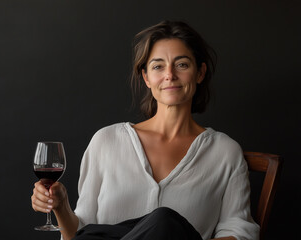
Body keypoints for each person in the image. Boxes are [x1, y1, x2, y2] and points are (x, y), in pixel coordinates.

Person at [31, 20, 260, 240]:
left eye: (182, 64)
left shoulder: (225, 152)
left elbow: (241, 233)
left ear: (199, 73)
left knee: (165, 222)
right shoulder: (106, 142)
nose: (169, 74)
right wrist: (60, 207)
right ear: (146, 77)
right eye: (158, 66)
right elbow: (81, 235)